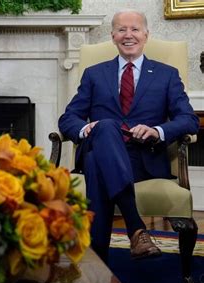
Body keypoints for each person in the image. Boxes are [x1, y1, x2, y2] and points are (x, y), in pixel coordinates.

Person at [58, 9, 199, 262]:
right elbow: (68, 118)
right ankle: (136, 229)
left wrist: (157, 130)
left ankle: (95, 266)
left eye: (134, 29)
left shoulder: (167, 75)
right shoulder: (94, 74)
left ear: (146, 35)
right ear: (113, 36)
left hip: (142, 159)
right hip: (101, 145)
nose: (128, 35)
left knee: (94, 162)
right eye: (122, 29)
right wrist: (85, 129)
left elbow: (188, 120)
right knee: (106, 127)